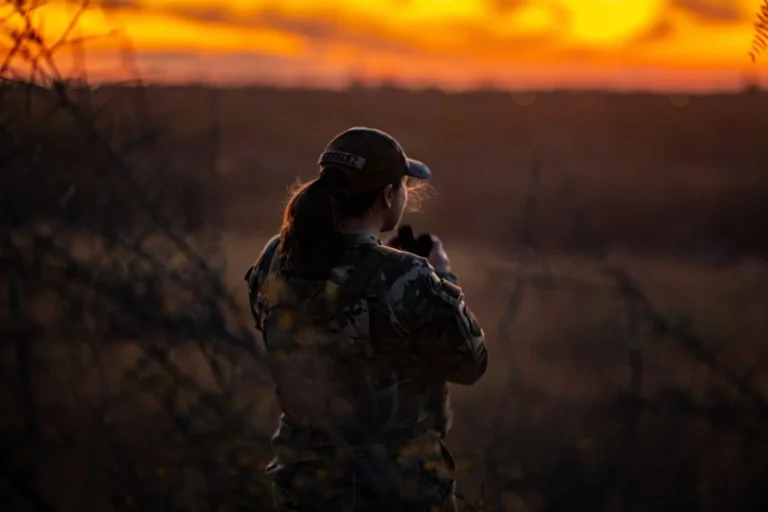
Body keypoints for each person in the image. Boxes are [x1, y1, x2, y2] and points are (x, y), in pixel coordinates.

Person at [245, 127, 488, 512]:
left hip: (305, 486)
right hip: (396, 490)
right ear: (388, 196)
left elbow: (277, 329)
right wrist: (442, 278)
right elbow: (470, 362)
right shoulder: (408, 276)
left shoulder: (275, 256)